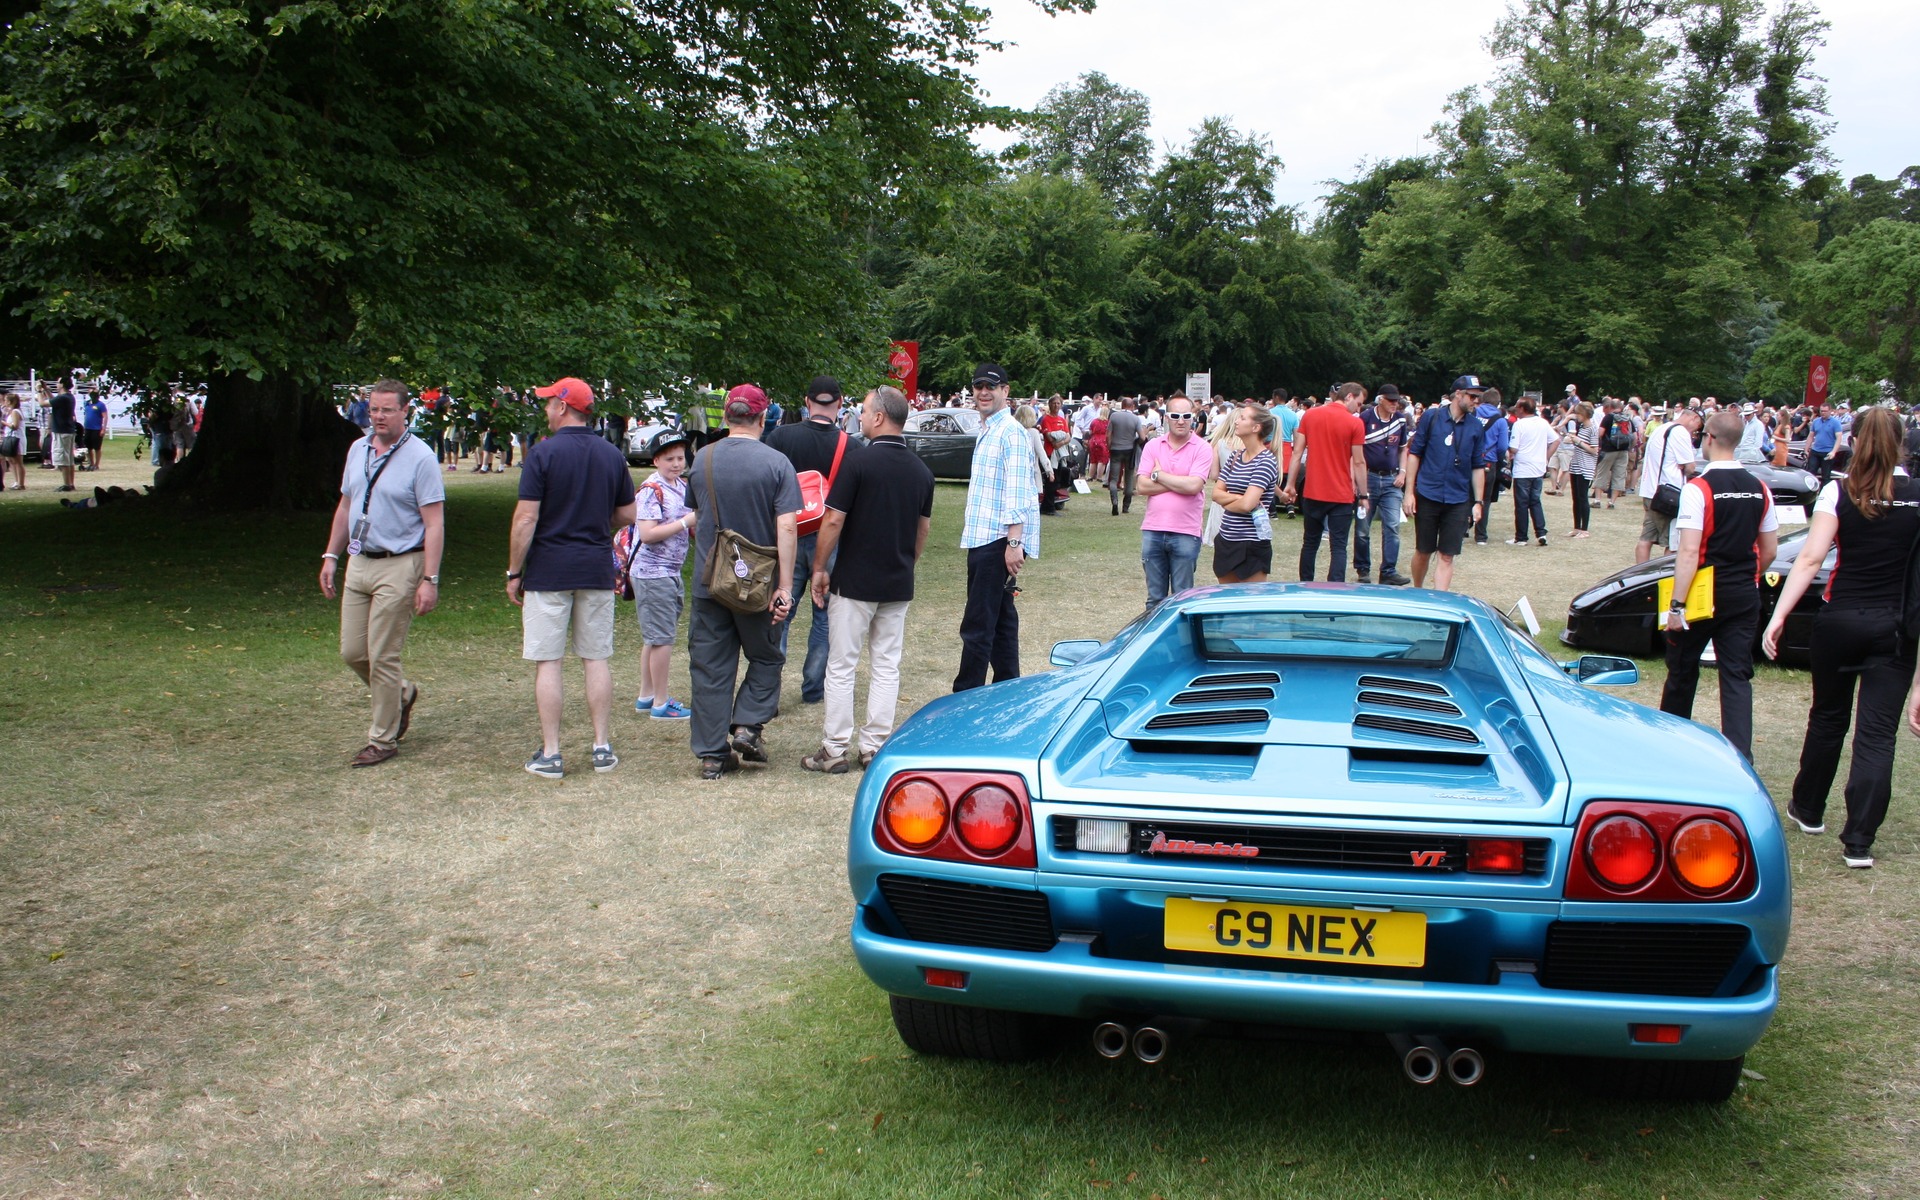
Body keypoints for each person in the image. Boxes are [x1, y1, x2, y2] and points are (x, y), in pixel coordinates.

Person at [1766, 408, 1920, 869]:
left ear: (1855, 439)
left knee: (1828, 718)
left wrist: (1779, 613)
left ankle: (1808, 808)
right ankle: (1859, 840)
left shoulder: (1839, 490)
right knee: (1877, 735)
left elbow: (1812, 558)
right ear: (1901, 443)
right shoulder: (1916, 495)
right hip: (1894, 628)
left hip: (1840, 621)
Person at [507, 377, 638, 780]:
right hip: (596, 566)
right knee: (595, 657)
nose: (546, 410)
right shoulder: (611, 455)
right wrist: (599, 526)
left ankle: (552, 753)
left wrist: (514, 571)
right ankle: (601, 746)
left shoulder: (542, 455)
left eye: (549, 403)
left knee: (549, 661)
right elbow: (628, 514)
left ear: (564, 407)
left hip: (549, 569)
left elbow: (526, 518)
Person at [803, 386, 935, 773]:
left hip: (855, 581)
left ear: (879, 417)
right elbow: (922, 529)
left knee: (842, 665)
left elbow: (832, 519)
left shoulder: (858, 463)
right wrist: (906, 562)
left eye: (863, 411)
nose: (859, 416)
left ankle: (834, 749)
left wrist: (819, 567)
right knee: (886, 665)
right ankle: (874, 747)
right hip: (897, 580)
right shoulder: (921, 471)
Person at [318, 380, 445, 768]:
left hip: (402, 563)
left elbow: (435, 523)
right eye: (374, 409)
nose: (379, 417)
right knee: (353, 652)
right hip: (360, 561)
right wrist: (331, 556)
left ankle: (382, 740)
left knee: (383, 655)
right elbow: (346, 506)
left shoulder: (420, 457)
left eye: (387, 410)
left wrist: (430, 579)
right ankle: (401, 695)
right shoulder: (357, 449)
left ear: (406, 411)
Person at [682, 384, 802, 778]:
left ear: (726, 415)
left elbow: (698, 519)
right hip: (759, 586)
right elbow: (787, 526)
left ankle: (712, 756)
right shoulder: (778, 463)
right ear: (763, 416)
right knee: (767, 657)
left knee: (710, 667)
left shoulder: (702, 460)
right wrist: (785, 586)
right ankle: (748, 724)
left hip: (710, 582)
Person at [1659, 411, 1780, 761]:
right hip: (1743, 590)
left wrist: (1676, 608)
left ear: (1708, 438)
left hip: (1703, 591)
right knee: (1736, 676)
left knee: (1682, 668)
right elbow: (1769, 548)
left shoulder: (1699, 488)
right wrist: (1748, 574)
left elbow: (1688, 552)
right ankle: (1741, 757)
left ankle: (1670, 746)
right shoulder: (1760, 488)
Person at [764, 376, 850, 704]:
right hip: (828, 538)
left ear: (807, 401)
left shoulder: (781, 437)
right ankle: (814, 688)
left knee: (780, 610)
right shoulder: (850, 445)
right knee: (825, 616)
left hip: (786, 533)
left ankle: (767, 689)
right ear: (840, 403)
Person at [954, 363, 1038, 691]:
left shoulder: (1010, 432)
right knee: (1001, 621)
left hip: (996, 541)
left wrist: (1014, 542)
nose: (984, 392)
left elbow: (1018, 490)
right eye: (978, 386)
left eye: (991, 386)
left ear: (1006, 390)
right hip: (984, 539)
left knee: (978, 623)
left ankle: (965, 696)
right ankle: (1008, 689)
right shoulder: (989, 429)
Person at [618, 428, 695, 721]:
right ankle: (661, 703)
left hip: (669, 571)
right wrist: (685, 522)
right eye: (669, 459)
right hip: (652, 573)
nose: (676, 464)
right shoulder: (651, 490)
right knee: (662, 639)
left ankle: (646, 695)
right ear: (656, 461)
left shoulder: (679, 485)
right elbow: (648, 534)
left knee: (654, 637)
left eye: (680, 458)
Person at [1403, 377, 1488, 591]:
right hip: (1428, 494)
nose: (1476, 401)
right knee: (1423, 551)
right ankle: (1418, 591)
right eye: (1472, 396)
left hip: (1458, 498)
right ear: (1458, 394)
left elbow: (1478, 466)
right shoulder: (1432, 417)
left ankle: (1440, 602)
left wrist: (1478, 501)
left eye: (1478, 397)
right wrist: (1409, 493)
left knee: (1447, 555)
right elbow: (1415, 454)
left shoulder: (1476, 426)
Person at [1134, 395, 1213, 607]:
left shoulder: (1202, 448)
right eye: (1176, 416)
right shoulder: (1153, 446)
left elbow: (1194, 486)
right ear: (1166, 417)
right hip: (1153, 529)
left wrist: (1159, 475)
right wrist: (1180, 482)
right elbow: (1141, 487)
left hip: (1186, 532)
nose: (1181, 420)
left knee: (1182, 599)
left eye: (1186, 416)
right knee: (1155, 600)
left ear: (1193, 418)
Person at [1283, 381, 1368, 582]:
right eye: (1358, 403)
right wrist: (1364, 494)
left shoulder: (1311, 415)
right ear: (1349, 397)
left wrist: (1291, 483)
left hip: (1314, 491)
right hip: (1341, 494)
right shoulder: (1355, 423)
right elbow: (1358, 461)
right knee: (1338, 546)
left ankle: (1305, 584)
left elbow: (1297, 453)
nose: (1359, 408)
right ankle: (1335, 589)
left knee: (1310, 543)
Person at [1210, 405, 1279, 582]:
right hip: (1226, 539)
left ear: (1256, 428)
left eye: (1242, 418)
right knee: (1226, 601)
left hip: (1252, 545)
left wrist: (1233, 501)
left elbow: (1247, 505)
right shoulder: (1235, 457)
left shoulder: (1265, 461)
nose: (1237, 421)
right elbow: (1216, 494)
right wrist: (1238, 498)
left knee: (1250, 603)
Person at [1353, 386, 1412, 584]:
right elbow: (1356, 451)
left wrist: (1403, 472)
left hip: (1391, 479)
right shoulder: (1365, 419)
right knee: (1363, 527)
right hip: (1368, 478)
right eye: (1391, 400)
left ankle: (1388, 571)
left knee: (1392, 526)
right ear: (1381, 400)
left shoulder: (1401, 421)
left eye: (1397, 401)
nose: (1395, 404)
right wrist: (1356, 480)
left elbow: (1403, 449)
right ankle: (1363, 569)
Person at [1636, 406, 1702, 564]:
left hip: (1650, 491)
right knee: (1673, 543)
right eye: (1697, 428)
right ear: (1694, 419)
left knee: (1646, 539)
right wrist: (1683, 466)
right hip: (1667, 495)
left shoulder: (1661, 428)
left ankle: (1639, 574)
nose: (1695, 432)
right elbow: (1690, 467)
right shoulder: (1680, 432)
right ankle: (1665, 578)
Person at [1505, 394, 1558, 546]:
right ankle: (1541, 532)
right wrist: (1546, 457)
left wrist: (1510, 451)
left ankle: (1521, 537)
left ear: (1522, 409)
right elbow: (1555, 440)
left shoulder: (1519, 425)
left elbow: (1514, 447)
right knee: (1535, 501)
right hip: (1538, 466)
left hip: (1523, 467)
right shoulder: (1542, 422)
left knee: (1521, 503)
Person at [1470, 388, 1508, 544]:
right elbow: (1502, 446)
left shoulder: (1473, 414)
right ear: (1497, 402)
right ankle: (1480, 535)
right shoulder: (1500, 420)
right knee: (1484, 498)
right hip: (1488, 462)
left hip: (1469, 460)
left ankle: (1462, 528)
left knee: (1465, 495)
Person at [1566, 401, 1599, 538]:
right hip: (1576, 465)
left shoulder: (1593, 429)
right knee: (1575, 497)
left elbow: (1594, 450)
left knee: (1582, 497)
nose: (1577, 416)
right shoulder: (1581, 428)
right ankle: (1576, 527)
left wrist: (1579, 441)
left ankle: (1584, 529)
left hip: (1586, 466)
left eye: (1579, 413)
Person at [1106, 397, 1142, 515]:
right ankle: (1126, 506)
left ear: (1122, 405)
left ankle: (1114, 501)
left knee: (1114, 478)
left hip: (1115, 449)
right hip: (1129, 450)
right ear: (1132, 406)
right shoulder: (1136, 418)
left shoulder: (1114, 416)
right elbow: (1142, 437)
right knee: (1129, 477)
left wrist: (1110, 446)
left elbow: (1108, 435)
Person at [1595, 398, 1634, 507]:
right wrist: (1630, 448)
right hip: (1623, 450)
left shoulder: (1608, 417)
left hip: (1608, 449)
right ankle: (1612, 502)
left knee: (1602, 473)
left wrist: (1599, 445)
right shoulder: (1627, 418)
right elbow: (1634, 436)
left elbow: (1601, 433)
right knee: (1619, 475)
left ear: (1610, 407)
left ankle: (1597, 500)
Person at [47, 378, 77, 492]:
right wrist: (45, 389)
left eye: (58, 382)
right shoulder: (69, 397)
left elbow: (43, 403)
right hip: (68, 430)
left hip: (61, 431)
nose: (56, 384)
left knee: (62, 458)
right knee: (69, 459)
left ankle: (66, 484)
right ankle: (70, 483)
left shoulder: (63, 398)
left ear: (63, 384)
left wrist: (39, 391)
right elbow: (54, 400)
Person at [1807, 405, 1843, 484]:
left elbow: (1839, 438)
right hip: (1815, 450)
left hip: (1827, 452)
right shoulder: (1816, 421)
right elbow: (1811, 435)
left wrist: (1833, 451)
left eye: (1825, 411)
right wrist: (1806, 448)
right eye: (1821, 411)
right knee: (1811, 473)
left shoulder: (1835, 422)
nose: (1823, 413)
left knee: (1825, 475)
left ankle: (1824, 492)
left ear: (1830, 411)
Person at [1, 394, 24, 490]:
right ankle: (16, 481)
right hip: (10, 437)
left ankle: (21, 483)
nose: (4, 402)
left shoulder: (15, 411)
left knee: (18, 461)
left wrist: (3, 422)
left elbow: (15, 426)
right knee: (11, 460)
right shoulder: (10, 411)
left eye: (6, 400)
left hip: (16, 438)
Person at [79, 390, 107, 471]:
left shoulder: (101, 405)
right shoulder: (87, 403)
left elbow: (105, 417)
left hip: (97, 429)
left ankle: (96, 464)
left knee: (97, 448)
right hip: (88, 428)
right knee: (88, 447)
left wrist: (103, 428)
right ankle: (91, 463)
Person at [1087, 401, 1111, 487]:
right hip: (1103, 441)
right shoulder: (1108, 423)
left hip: (1093, 441)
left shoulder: (1094, 421)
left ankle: (1090, 476)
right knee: (1102, 460)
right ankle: (1099, 477)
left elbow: (1090, 431)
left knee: (1093, 460)